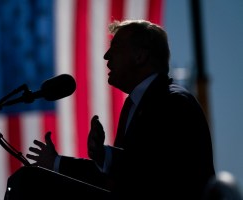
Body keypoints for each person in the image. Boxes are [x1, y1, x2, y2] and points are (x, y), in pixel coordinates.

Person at [26, 19, 216, 199]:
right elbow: (119, 179)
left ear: (140, 55)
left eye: (115, 48)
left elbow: (153, 171)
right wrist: (56, 163)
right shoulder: (136, 105)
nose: (106, 56)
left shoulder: (173, 102)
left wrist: (104, 154)